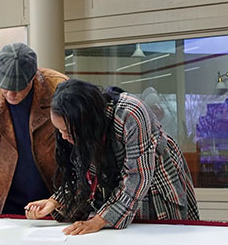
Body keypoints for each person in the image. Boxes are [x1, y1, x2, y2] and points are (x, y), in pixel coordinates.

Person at [26, 79, 199, 235]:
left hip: (155, 191)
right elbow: (84, 176)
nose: (64, 137)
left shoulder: (131, 113)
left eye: (68, 131)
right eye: (60, 131)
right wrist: (56, 202)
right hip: (118, 200)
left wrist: (99, 220)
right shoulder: (78, 127)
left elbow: (137, 176)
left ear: (86, 121)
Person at [0, 42, 67, 216]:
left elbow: (80, 151)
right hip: (5, 203)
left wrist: (62, 198)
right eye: (5, 88)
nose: (11, 95)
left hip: (56, 200)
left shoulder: (58, 89)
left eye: (19, 88)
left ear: (33, 77)